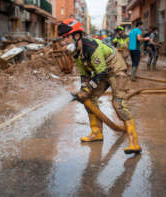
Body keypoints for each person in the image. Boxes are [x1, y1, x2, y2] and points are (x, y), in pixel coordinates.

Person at [58, 18, 141, 154]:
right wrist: (84, 89)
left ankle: (134, 142)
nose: (64, 41)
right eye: (63, 38)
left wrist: (87, 88)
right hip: (101, 72)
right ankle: (96, 133)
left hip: (115, 70)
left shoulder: (91, 47)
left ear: (77, 35)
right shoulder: (76, 53)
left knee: (118, 103)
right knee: (88, 99)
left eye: (66, 37)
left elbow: (101, 71)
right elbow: (85, 75)